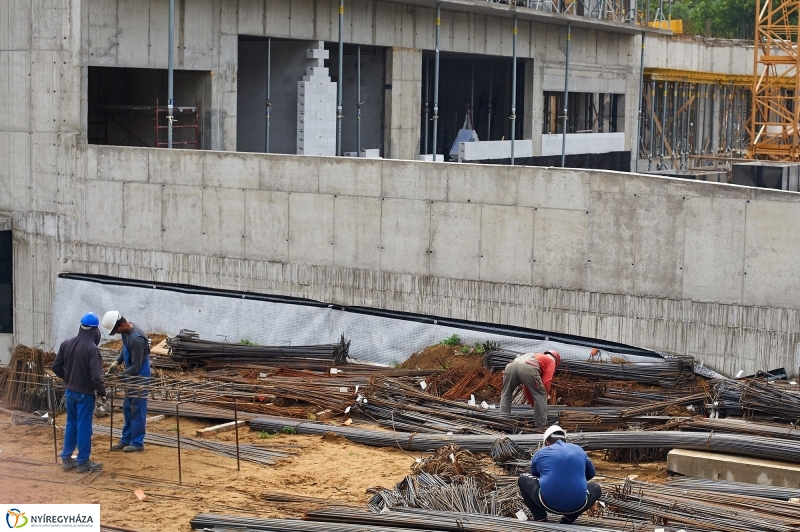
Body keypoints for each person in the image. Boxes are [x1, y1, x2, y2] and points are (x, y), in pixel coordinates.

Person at [51, 312, 106, 473]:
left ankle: (66, 459)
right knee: (84, 427)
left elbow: (56, 367)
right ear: (95, 330)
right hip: (84, 394)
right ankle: (83, 462)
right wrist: (102, 392)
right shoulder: (92, 348)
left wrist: (67, 378)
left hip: (70, 392)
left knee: (71, 424)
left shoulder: (67, 343)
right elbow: (96, 376)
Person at [518, 425, 602, 524]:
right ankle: (568, 518)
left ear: (547, 442)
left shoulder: (541, 453)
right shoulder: (579, 450)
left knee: (522, 479)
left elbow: (535, 476)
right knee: (596, 487)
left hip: (546, 504)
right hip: (578, 506)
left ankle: (540, 517)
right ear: (564, 440)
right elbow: (591, 473)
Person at [102, 310, 151, 452]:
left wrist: (119, 376)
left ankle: (137, 443)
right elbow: (125, 349)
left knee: (137, 409)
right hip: (131, 376)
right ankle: (126, 439)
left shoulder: (136, 339)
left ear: (122, 325)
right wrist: (117, 362)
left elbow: (136, 367)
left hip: (139, 376)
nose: (117, 333)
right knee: (127, 407)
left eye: (116, 330)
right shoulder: (126, 332)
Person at [498, 350, 560, 428]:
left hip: (511, 365)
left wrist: (534, 404)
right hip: (528, 367)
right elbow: (546, 382)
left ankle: (503, 421)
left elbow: (526, 387)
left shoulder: (537, 356)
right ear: (556, 360)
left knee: (506, 393)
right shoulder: (551, 360)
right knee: (541, 394)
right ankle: (541, 426)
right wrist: (544, 397)